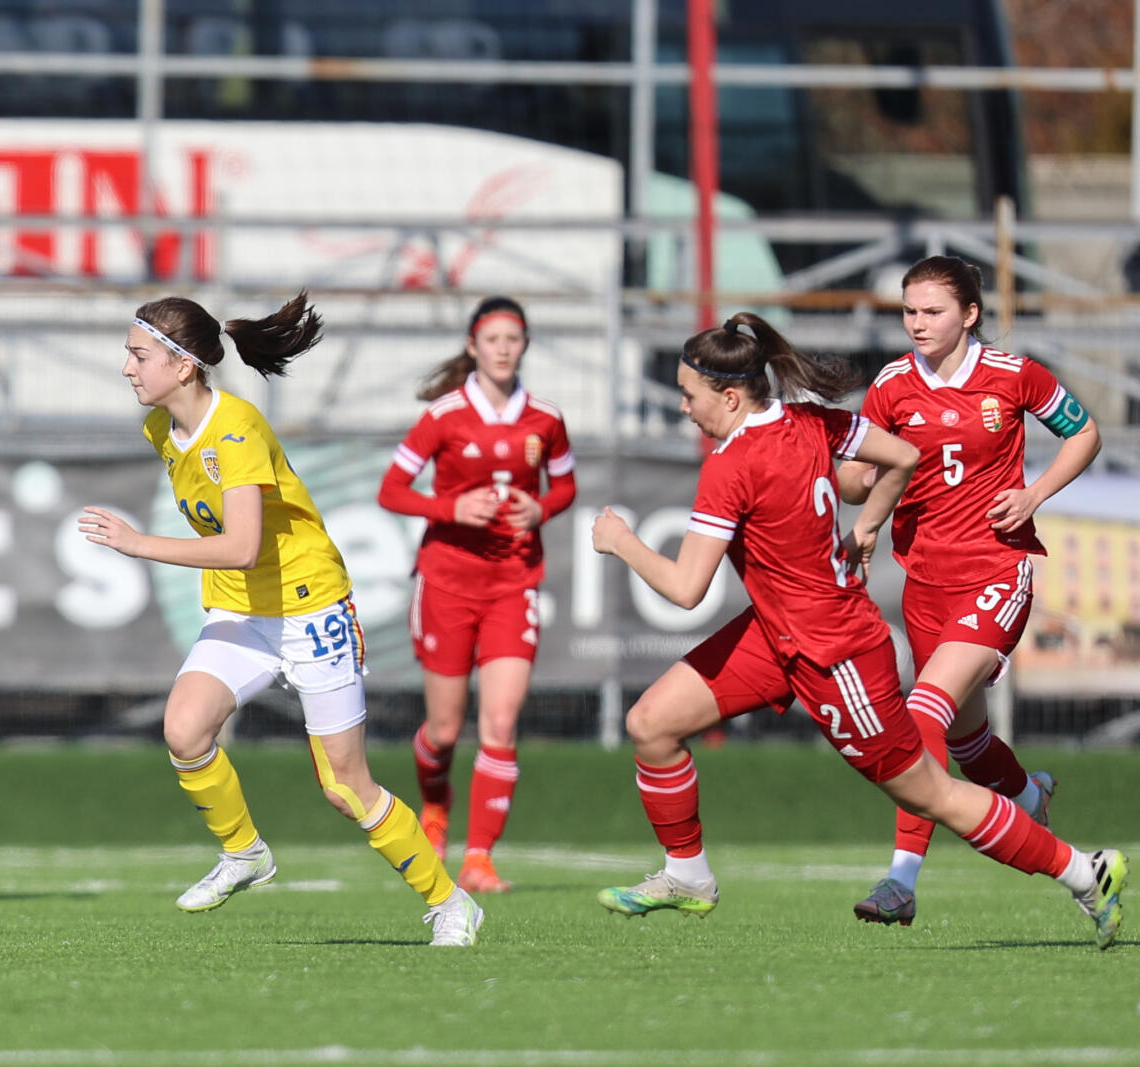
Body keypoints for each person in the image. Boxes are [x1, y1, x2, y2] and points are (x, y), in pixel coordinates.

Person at [589, 311, 1125, 950]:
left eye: (689, 395)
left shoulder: (731, 465)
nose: (684, 407)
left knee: (933, 794)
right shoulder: (810, 421)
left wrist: (621, 542)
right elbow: (902, 455)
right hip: (775, 633)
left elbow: (685, 589)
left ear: (730, 397)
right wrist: (867, 523)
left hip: (835, 653)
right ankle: (687, 875)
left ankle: (1084, 873)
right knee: (651, 724)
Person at [78, 291, 484, 946]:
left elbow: (242, 545)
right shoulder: (159, 429)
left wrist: (138, 543)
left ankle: (450, 902)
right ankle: (244, 853)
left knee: (345, 788)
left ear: (183, 365)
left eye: (139, 355)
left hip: (309, 606)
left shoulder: (236, 430)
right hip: (243, 608)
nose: (127, 367)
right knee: (184, 729)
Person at [837, 256, 1103, 926]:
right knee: (967, 741)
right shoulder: (892, 385)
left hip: (996, 570)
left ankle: (901, 880)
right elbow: (856, 479)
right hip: (925, 583)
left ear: (971, 314)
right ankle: (1030, 797)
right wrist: (852, 475)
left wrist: (1034, 494)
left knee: (920, 711)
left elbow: (1085, 432)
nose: (918, 323)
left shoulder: (1014, 374)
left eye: (933, 311)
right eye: (909, 311)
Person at [376, 296, 576, 893]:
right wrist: (451, 508)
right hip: (447, 582)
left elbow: (565, 487)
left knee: (501, 722)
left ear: (526, 344)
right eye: (493, 339)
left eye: (513, 338)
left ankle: (479, 859)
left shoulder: (546, 418)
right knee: (443, 730)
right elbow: (391, 490)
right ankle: (434, 809)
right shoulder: (444, 416)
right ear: (473, 346)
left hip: (514, 584)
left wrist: (540, 509)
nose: (503, 349)